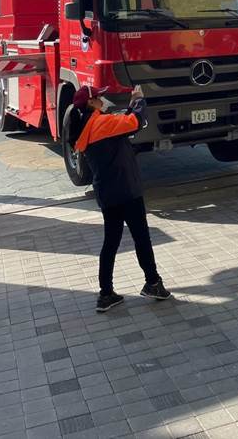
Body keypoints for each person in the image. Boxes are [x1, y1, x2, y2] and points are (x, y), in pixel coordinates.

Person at [66, 84, 171, 312]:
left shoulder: (89, 127)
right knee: (141, 238)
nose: (103, 99)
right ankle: (153, 283)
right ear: (92, 102)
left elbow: (122, 125)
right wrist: (138, 100)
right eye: (100, 97)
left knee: (111, 242)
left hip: (107, 193)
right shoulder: (101, 123)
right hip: (127, 190)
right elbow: (137, 121)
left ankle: (106, 294)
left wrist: (130, 109)